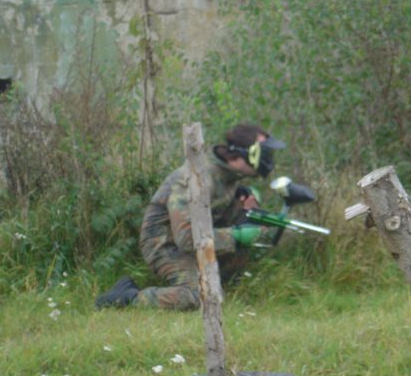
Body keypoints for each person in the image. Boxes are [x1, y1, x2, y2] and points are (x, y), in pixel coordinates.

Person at [95, 124, 285, 311]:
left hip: (194, 237)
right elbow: (186, 237)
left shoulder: (228, 176)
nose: (269, 158)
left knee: (242, 231)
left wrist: (244, 206)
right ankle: (127, 297)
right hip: (164, 243)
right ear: (248, 153)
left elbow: (215, 210)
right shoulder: (196, 179)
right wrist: (236, 235)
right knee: (200, 295)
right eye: (265, 152)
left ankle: (220, 284)